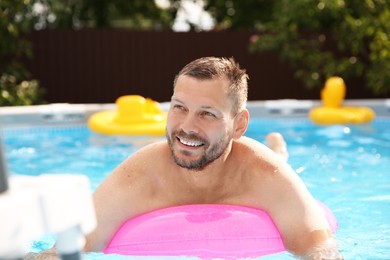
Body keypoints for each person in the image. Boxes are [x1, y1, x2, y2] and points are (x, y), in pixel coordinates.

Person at [31, 57, 342, 259]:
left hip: (262, 164)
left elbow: (319, 248)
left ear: (239, 125)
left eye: (207, 114)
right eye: (179, 107)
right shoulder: (139, 176)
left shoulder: (267, 175)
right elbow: (66, 249)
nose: (187, 127)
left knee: (279, 160)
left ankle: (279, 148)